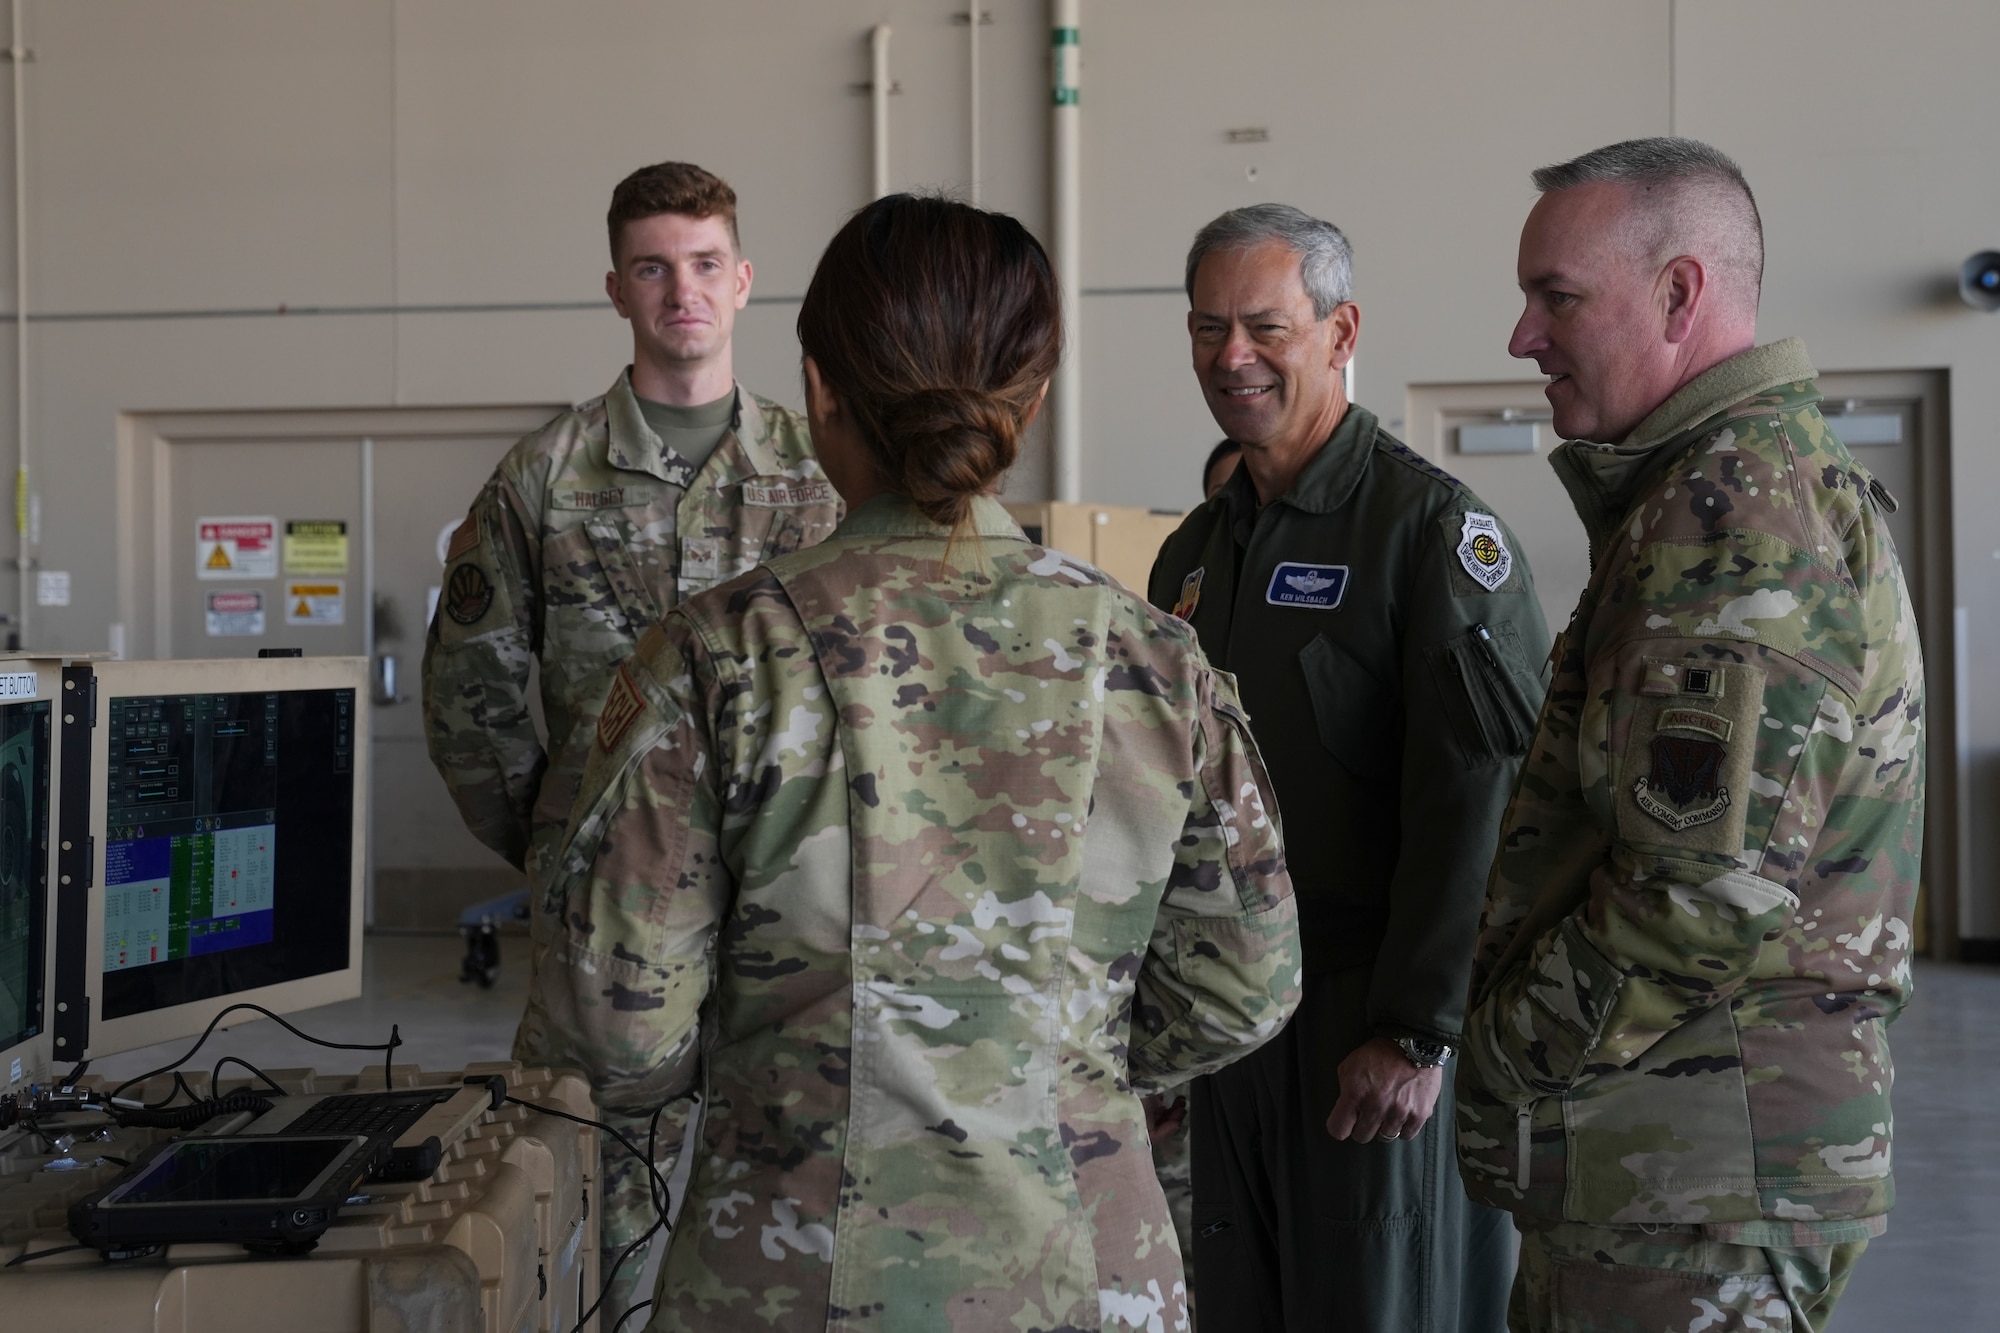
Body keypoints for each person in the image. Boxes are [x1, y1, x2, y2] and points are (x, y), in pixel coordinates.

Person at [525, 193, 1304, 1333]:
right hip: (1088, 1271)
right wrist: (1046, 1050)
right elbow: (1246, 984)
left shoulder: (719, 656)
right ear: (1031, 398)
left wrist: (781, 1070)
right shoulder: (1154, 660)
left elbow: (622, 1030)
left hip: (787, 1274)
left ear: (820, 387)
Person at [1456, 138, 1924, 1332]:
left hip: (1685, 1179)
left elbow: (1698, 892)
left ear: (1678, 293)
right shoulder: (1707, 491)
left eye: (1553, 297)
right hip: (1676, 1167)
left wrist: (1502, 1054)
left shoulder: (1732, 517)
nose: (1521, 337)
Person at [421, 160, 842, 1326]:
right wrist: (564, 845)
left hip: (791, 913)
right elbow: (471, 701)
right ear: (615, 287)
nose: (680, 292)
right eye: (652, 267)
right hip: (605, 932)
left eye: (704, 264)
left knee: (789, 1205)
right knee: (601, 1215)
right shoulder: (544, 479)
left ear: (744, 279)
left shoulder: (817, 475)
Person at [1150, 203, 1541, 1332]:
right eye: (1207, 328)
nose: (1232, 357)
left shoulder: (1427, 533)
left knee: (1377, 1305)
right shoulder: (1192, 554)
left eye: (1264, 326)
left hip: (1365, 1029)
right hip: (1228, 1029)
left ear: (1337, 330)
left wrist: (1418, 1029)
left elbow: (1481, 794)